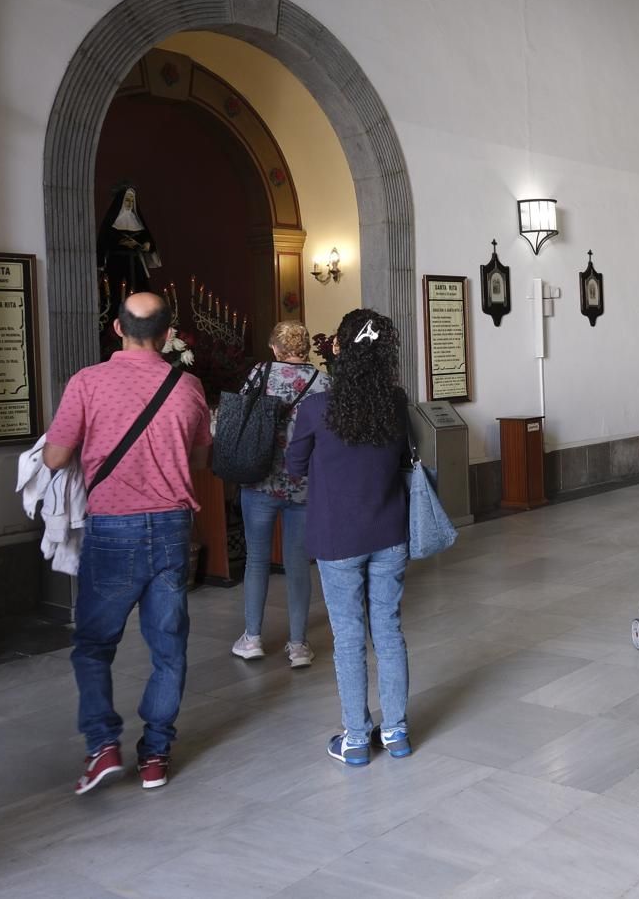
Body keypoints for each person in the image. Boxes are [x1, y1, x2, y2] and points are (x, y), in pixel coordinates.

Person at [44, 292, 213, 794]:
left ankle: (103, 746)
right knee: (169, 647)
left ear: (116, 329)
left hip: (113, 528)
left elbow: (54, 458)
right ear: (167, 334)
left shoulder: (88, 383)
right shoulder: (189, 386)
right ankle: (156, 754)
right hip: (171, 527)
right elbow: (201, 462)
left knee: (94, 644)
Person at [287, 309, 413, 766]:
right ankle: (396, 732)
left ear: (338, 349)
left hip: (338, 537)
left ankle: (357, 739)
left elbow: (294, 466)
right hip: (389, 532)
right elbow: (403, 458)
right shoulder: (396, 404)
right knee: (389, 630)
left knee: (348, 636)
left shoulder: (318, 408)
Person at [231, 321, 329, 667]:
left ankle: (253, 638)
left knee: (257, 559)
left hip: (259, 479)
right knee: (298, 563)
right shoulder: (323, 382)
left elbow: (239, 414)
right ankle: (299, 645)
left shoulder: (261, 373)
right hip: (303, 483)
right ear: (306, 348)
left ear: (275, 348)